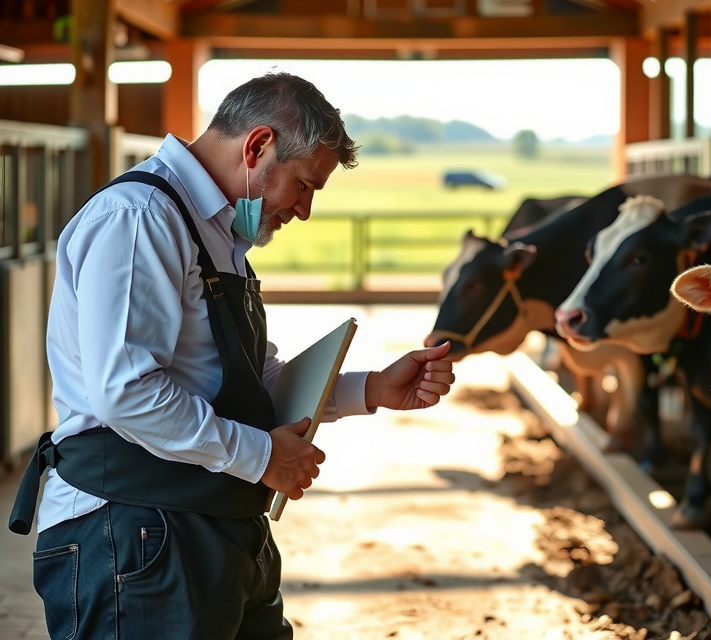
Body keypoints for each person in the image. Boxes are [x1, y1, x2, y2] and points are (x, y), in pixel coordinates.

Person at [8, 70, 455, 639]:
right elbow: (126, 391)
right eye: (304, 184)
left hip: (209, 522)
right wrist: (261, 456)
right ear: (258, 146)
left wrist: (370, 389)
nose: (303, 209)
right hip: (135, 534)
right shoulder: (142, 218)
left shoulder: (217, 232)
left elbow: (248, 378)